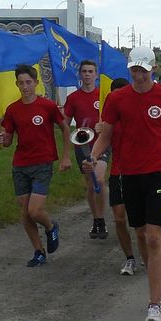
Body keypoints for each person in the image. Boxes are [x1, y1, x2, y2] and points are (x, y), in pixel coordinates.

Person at [89, 46, 161, 321]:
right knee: (139, 233)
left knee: (153, 236)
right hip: (128, 172)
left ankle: (154, 304)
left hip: (159, 170)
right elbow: (107, 134)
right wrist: (94, 155)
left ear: (153, 68)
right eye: (134, 70)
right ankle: (158, 281)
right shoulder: (117, 99)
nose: (138, 75)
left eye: (142, 70)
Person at [0, 64, 72, 267]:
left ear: (36, 83)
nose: (25, 86)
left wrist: (65, 156)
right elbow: (9, 140)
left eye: (28, 82)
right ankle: (38, 251)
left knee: (35, 210)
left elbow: (64, 128)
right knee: (25, 212)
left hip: (43, 162)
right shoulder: (12, 110)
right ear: (16, 84)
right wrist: (2, 138)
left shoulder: (46, 106)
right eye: (21, 83)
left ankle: (50, 226)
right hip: (20, 164)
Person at [86, 77, 146, 276]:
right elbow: (104, 142)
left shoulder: (137, 114)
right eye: (115, 94)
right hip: (118, 173)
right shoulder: (109, 120)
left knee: (141, 225)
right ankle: (129, 258)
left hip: (140, 173)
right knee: (120, 219)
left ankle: (149, 256)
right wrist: (94, 153)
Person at [62, 59, 109, 240]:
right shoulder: (73, 98)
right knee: (90, 184)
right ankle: (96, 218)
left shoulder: (103, 95)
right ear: (80, 75)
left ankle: (102, 218)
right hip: (82, 144)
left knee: (99, 179)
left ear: (96, 74)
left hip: (102, 142)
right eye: (84, 71)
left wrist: (103, 125)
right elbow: (65, 123)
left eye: (91, 71)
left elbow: (113, 119)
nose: (88, 74)